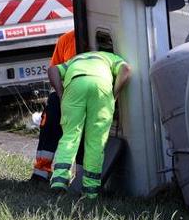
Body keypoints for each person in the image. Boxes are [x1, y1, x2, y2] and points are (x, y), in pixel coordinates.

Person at [46, 50, 130, 199]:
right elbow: (126, 70)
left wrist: (60, 93)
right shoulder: (111, 58)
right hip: (101, 86)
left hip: (75, 84)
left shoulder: (75, 60)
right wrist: (114, 95)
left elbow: (52, 70)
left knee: (70, 135)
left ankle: (59, 182)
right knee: (96, 141)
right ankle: (90, 191)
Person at [31, 29, 76, 183]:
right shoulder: (66, 39)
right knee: (48, 124)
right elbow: (54, 70)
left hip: (83, 95)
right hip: (62, 90)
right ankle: (40, 173)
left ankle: (69, 175)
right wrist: (59, 95)